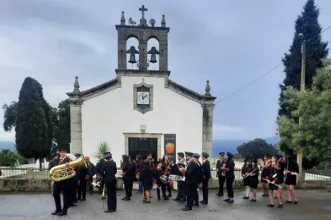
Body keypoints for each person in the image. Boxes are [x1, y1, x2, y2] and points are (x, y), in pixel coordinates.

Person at [51, 147, 73, 216]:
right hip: (57, 181)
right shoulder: (56, 160)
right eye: (61, 152)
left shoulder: (69, 160)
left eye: (64, 152)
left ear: (65, 153)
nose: (62, 153)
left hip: (65, 181)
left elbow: (74, 169)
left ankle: (64, 211)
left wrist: (69, 166)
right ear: (60, 153)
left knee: (65, 196)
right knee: (55, 194)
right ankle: (58, 209)